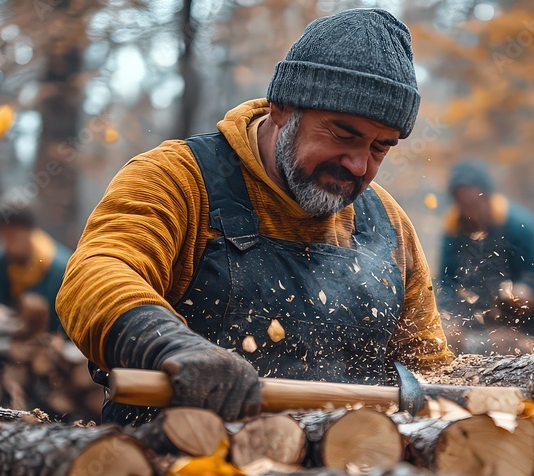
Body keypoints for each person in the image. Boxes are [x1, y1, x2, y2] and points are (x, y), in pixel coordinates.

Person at [57, 9, 453, 425]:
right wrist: (171, 345)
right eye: (343, 134)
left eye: (379, 148)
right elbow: (95, 273)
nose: (358, 165)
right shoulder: (178, 179)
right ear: (281, 109)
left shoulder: (388, 224)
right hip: (170, 470)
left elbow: (428, 367)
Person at [438, 160, 534, 348]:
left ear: (486, 197)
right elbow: (446, 282)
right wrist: (450, 315)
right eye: (462, 204)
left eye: (473, 203)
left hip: (527, 326)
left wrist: (528, 291)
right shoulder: (453, 230)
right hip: (476, 327)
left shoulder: (518, 225)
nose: (469, 211)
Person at [0, 203, 71, 334]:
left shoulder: (60, 268)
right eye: (2, 236)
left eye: (12, 236)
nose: (6, 244)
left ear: (30, 232)